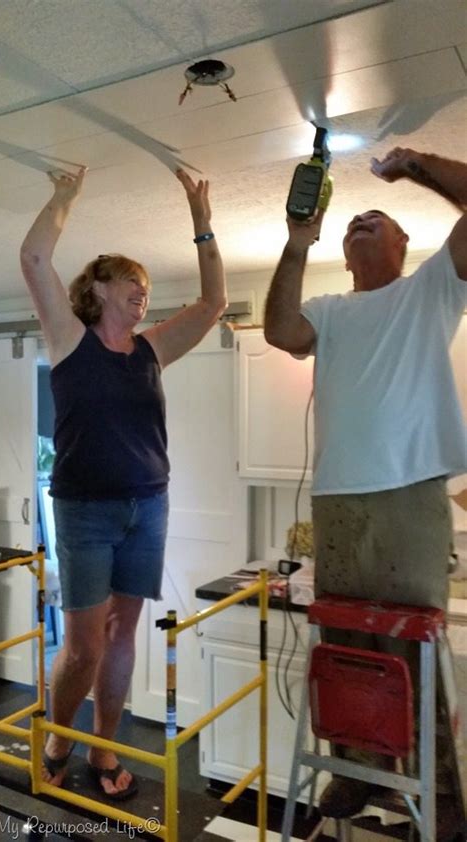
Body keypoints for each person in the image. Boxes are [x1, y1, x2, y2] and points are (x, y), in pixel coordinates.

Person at [264, 147, 466, 840]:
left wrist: (413, 168)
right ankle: (351, 768)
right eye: (352, 222)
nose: (360, 221)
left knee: (413, 652)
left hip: (410, 494)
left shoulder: (432, 287)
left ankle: (440, 799)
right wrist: (297, 243)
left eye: (375, 219)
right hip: (339, 502)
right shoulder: (329, 310)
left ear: (406, 243)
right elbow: (280, 329)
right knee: (346, 644)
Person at [20, 165, 227, 800]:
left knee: (122, 633)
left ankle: (105, 751)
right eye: (131, 283)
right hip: (84, 511)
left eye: (145, 285)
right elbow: (32, 257)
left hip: (148, 507)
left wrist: (201, 222)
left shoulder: (150, 349)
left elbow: (215, 302)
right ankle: (60, 738)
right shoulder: (68, 340)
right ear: (100, 289)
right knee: (81, 646)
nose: (143, 291)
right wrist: (65, 195)